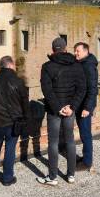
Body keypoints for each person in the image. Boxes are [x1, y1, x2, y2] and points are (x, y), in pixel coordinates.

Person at [36, 37, 86, 186]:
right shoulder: (76, 65)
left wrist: (58, 107)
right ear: (65, 49)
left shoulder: (47, 67)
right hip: (70, 109)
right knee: (70, 140)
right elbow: (82, 88)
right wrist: (72, 107)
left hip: (54, 111)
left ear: (53, 50)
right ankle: (71, 175)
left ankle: (53, 177)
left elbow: (47, 90)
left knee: (53, 142)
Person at [0, 56, 29, 186]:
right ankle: (7, 178)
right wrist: (25, 120)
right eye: (14, 65)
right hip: (13, 123)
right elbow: (25, 104)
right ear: (10, 65)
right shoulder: (18, 81)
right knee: (10, 148)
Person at [74, 42, 98, 173]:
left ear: (85, 51)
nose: (75, 53)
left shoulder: (88, 66)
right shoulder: (82, 63)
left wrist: (87, 108)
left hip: (84, 106)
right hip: (80, 104)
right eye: (75, 51)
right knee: (84, 133)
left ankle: (87, 162)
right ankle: (85, 158)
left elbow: (92, 88)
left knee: (85, 134)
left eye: (78, 51)